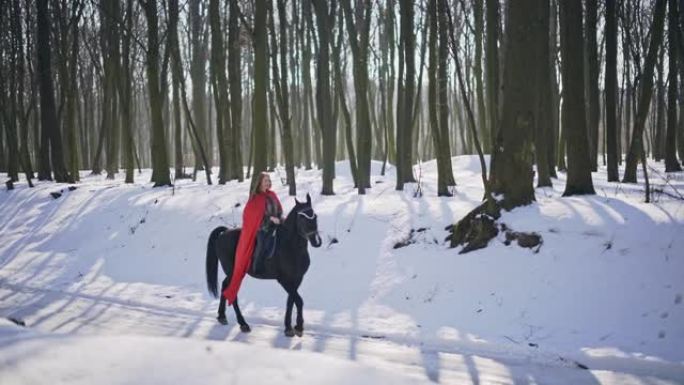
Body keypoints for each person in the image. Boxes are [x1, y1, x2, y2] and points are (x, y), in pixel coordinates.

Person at [223, 172, 283, 305]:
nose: (267, 183)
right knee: (262, 243)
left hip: (276, 226)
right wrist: (269, 220)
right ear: (259, 183)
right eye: (265, 181)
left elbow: (279, 209)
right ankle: (257, 265)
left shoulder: (272, 195)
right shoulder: (255, 199)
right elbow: (253, 218)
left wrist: (279, 217)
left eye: (268, 180)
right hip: (262, 229)